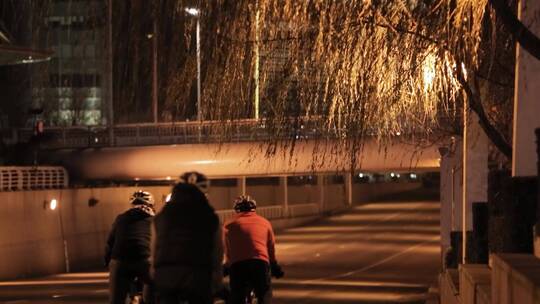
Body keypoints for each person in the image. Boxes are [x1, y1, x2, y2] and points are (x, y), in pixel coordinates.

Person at [153, 171, 223, 304]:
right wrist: (217, 278)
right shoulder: (209, 216)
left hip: (166, 275)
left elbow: (155, 246)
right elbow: (217, 250)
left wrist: (154, 272)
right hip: (198, 275)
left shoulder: (162, 215)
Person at [223, 195, 284, 304]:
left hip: (238, 265)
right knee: (264, 295)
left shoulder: (228, 224)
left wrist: (227, 266)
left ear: (236, 210)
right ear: (254, 208)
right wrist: (274, 266)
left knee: (236, 296)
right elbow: (270, 247)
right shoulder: (265, 223)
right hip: (260, 263)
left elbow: (227, 248)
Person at [105, 190, 155, 304]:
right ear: (151, 205)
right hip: (145, 260)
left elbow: (110, 243)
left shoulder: (121, 218)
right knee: (155, 290)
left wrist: (108, 262)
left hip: (120, 260)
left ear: (132, 205)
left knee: (116, 300)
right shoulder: (155, 220)